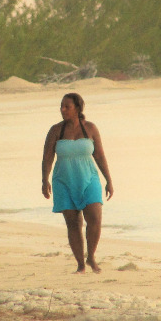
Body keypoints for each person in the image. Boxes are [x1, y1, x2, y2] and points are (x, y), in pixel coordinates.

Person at [41, 92, 113, 273]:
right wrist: (44, 180)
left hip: (89, 178)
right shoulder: (56, 130)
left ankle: (91, 257)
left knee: (95, 218)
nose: (63, 110)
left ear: (78, 108)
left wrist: (109, 180)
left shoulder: (90, 128)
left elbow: (100, 156)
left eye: (67, 106)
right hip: (63, 181)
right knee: (73, 223)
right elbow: (47, 157)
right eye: (61, 106)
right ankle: (80, 264)